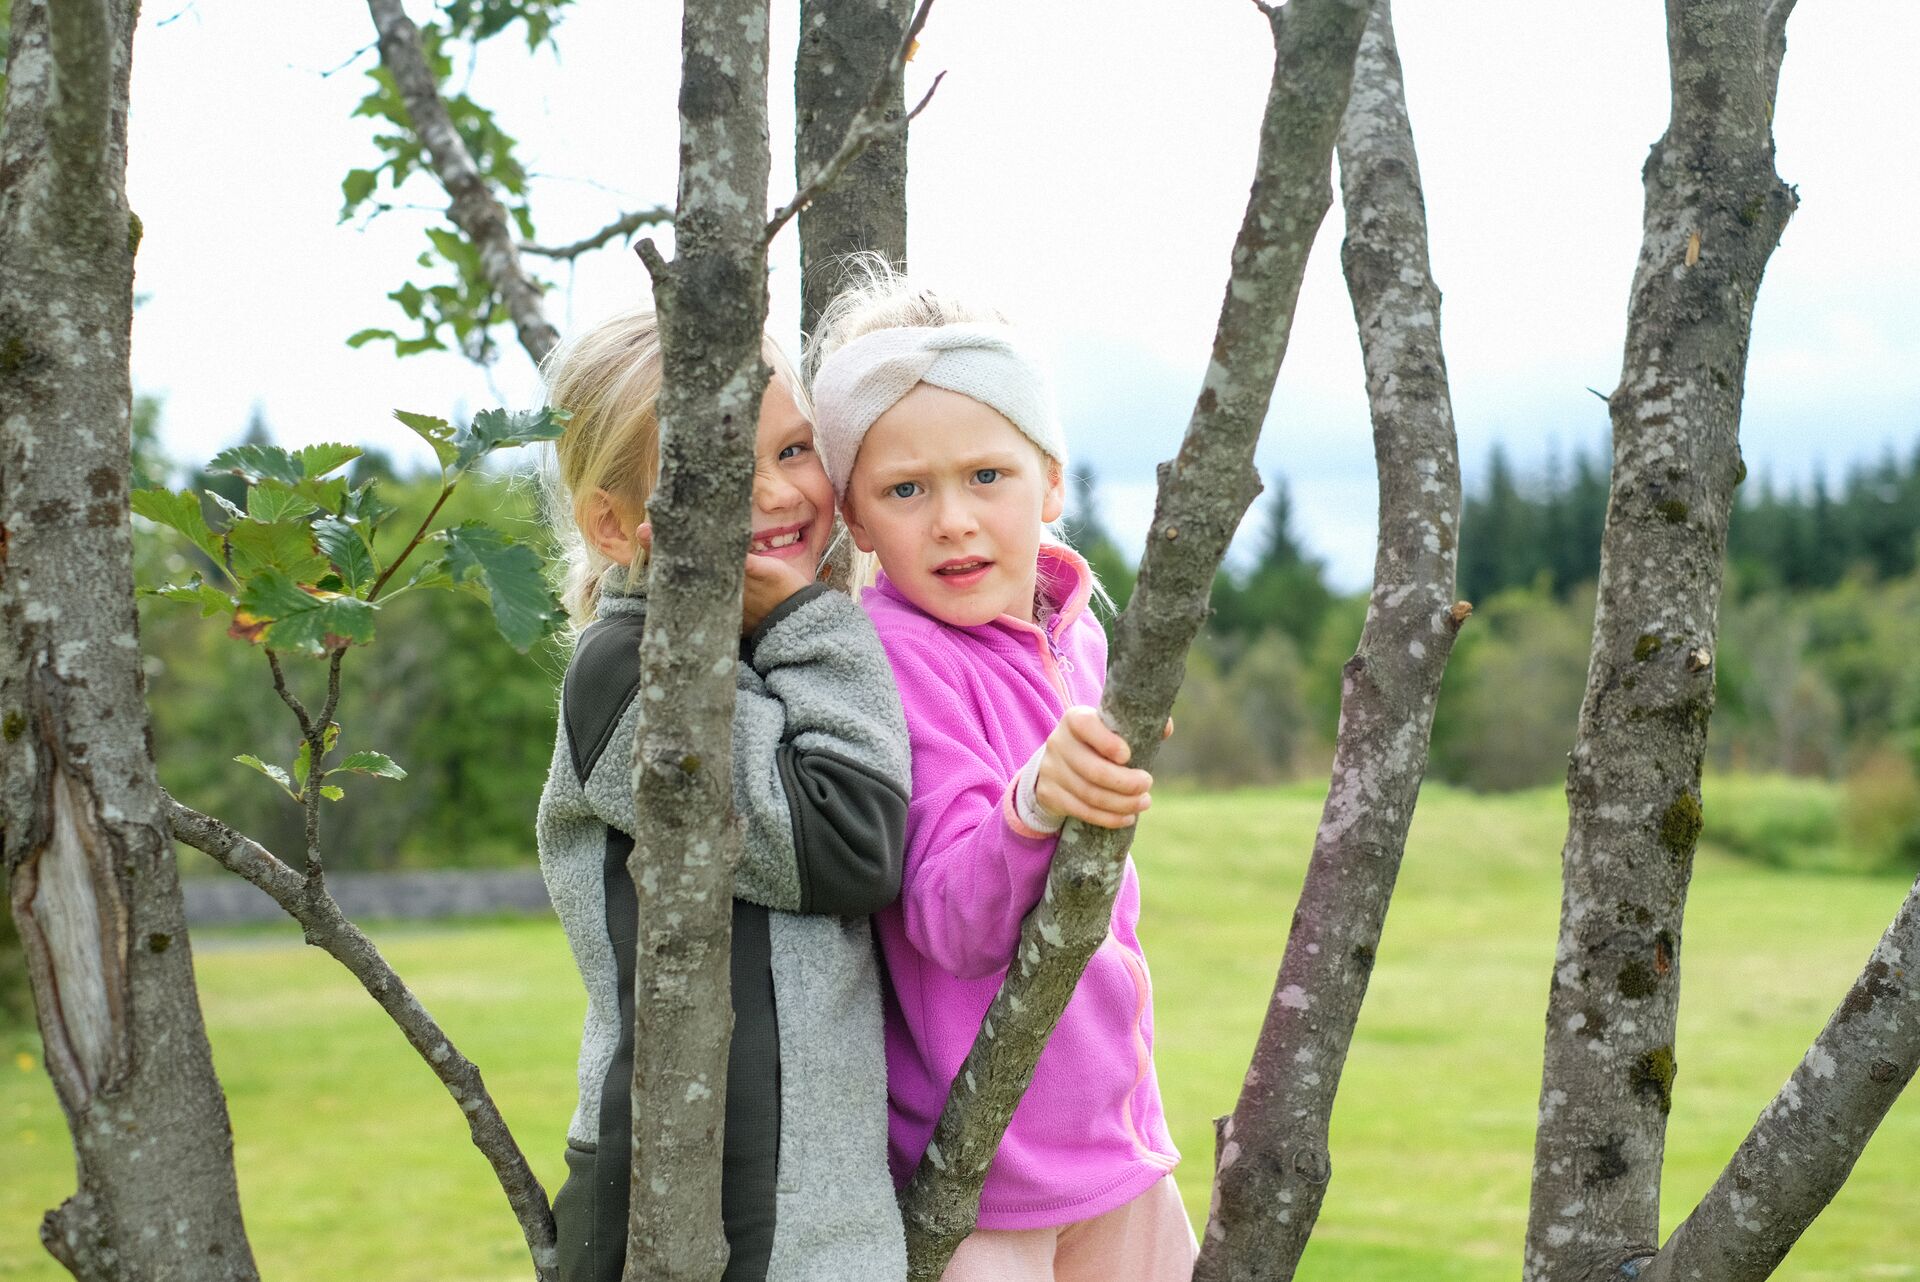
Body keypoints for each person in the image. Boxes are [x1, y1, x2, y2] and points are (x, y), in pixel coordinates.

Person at [809, 266, 1196, 1282]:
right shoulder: (892, 658)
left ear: (1052, 480)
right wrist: (1033, 801)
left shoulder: (1080, 641)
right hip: (987, 1172)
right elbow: (950, 918)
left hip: (1116, 1139)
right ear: (855, 519)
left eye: (988, 475)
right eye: (906, 489)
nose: (953, 520)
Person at [536, 307, 910, 1282]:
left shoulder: (771, 653)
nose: (779, 493)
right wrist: (802, 612)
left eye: (793, 448)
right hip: (700, 1198)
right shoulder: (631, 672)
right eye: (717, 476)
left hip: (803, 1194)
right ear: (616, 526)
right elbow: (849, 843)